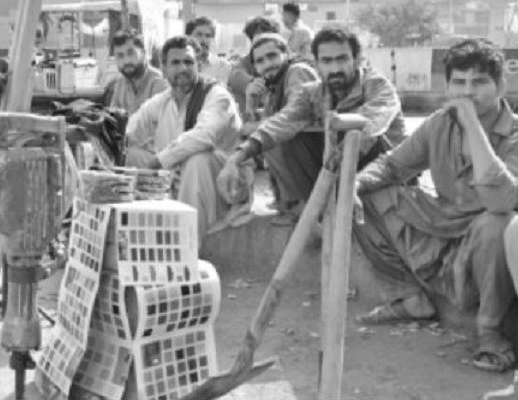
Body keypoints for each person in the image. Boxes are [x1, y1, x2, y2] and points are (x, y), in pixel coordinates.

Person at [353, 38, 518, 373]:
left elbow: (501, 200)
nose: (468, 92)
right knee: (366, 197)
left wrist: (472, 124)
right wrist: (355, 184)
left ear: (501, 85)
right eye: (459, 82)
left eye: (479, 82)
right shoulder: (439, 123)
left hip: (489, 245)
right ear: (448, 85)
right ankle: (410, 298)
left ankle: (490, 333)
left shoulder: (514, 133)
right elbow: (391, 166)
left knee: (497, 223)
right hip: (443, 230)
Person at [219, 27, 405, 221]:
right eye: (326, 61)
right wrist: (236, 157)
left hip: (381, 173)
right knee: (286, 134)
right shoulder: (312, 92)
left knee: (355, 134)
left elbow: (370, 126)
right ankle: (313, 214)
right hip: (336, 172)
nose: (334, 69)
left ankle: (324, 207)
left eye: (342, 59)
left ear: (357, 59)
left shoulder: (376, 85)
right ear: (317, 64)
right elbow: (281, 123)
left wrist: (333, 168)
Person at [125, 35, 244, 244]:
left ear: (198, 65)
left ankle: (187, 248)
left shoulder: (216, 95)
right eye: (175, 63)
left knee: (197, 160)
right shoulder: (164, 100)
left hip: (224, 185)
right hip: (177, 179)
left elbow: (204, 136)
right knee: (128, 155)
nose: (183, 68)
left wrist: (159, 160)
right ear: (163, 69)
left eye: (188, 62)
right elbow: (131, 130)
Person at [241, 33, 320, 217]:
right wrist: (250, 101)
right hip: (303, 162)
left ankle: (300, 205)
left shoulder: (297, 72)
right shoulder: (274, 86)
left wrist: (256, 126)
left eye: (272, 56)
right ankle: (288, 202)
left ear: (287, 53)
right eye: (260, 61)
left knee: (268, 133)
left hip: (318, 157)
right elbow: (252, 127)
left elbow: (295, 115)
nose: (267, 64)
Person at [228, 15, 282, 117]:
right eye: (259, 39)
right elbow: (239, 78)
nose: (264, 43)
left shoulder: (286, 63)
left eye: (268, 37)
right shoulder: (240, 68)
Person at [109, 29, 169, 115]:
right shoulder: (120, 83)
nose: (126, 61)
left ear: (143, 53)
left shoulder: (159, 83)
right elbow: (112, 121)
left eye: (131, 53)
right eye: (120, 56)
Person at [185, 16, 231, 86]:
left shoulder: (222, 66)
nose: (204, 40)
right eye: (199, 35)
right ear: (188, 37)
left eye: (208, 36)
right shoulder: (180, 64)